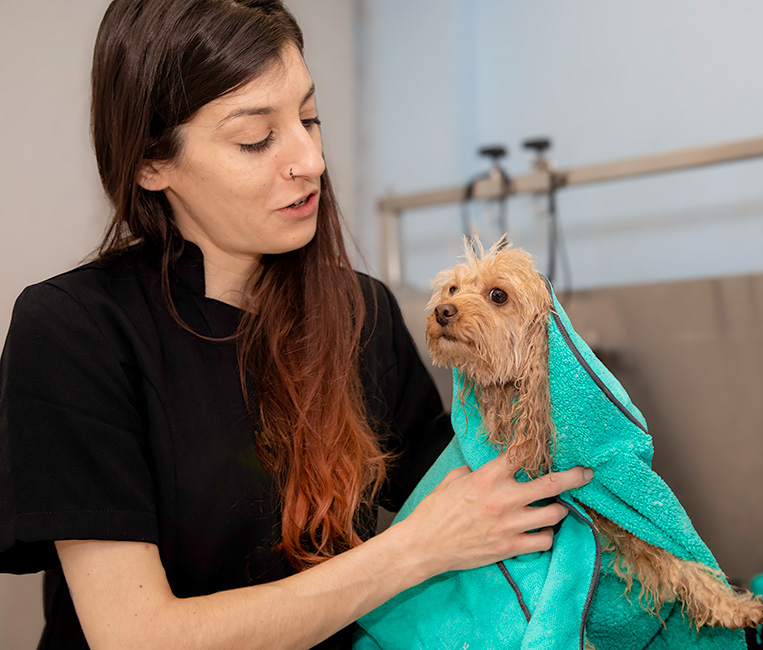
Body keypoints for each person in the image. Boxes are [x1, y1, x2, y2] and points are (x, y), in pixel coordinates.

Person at [0, 1, 592, 649]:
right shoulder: (74, 331)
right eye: (257, 138)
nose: (310, 160)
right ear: (151, 163)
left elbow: (476, 497)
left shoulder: (362, 313)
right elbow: (137, 635)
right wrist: (411, 551)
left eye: (310, 118)